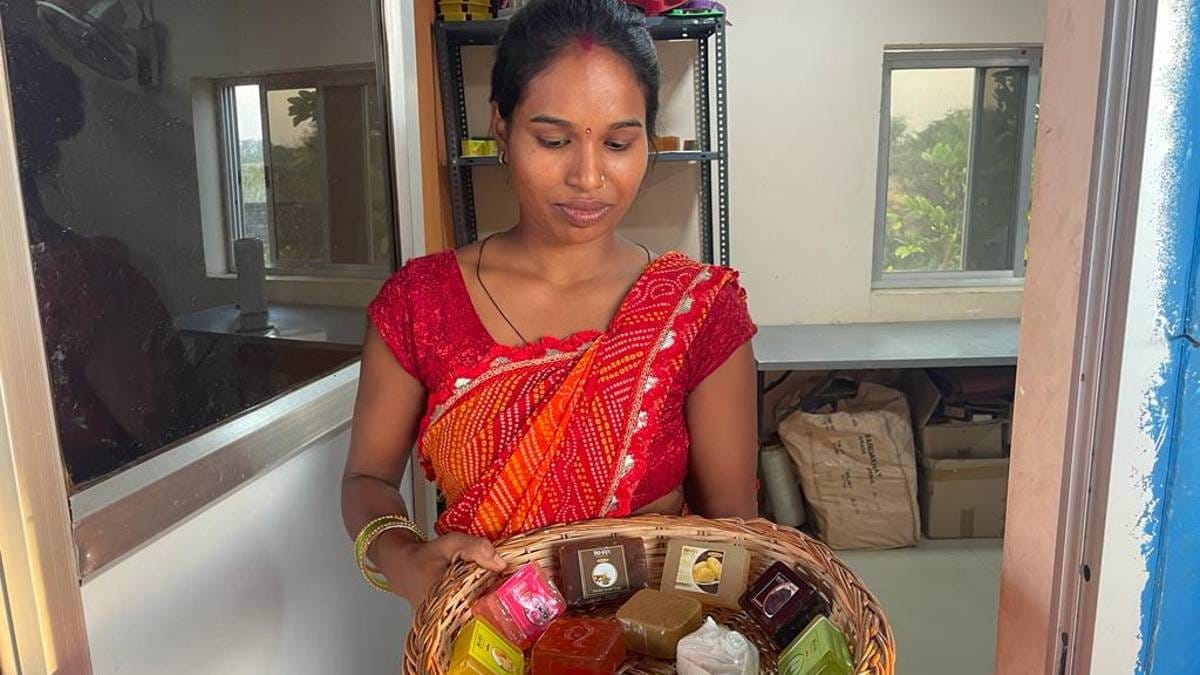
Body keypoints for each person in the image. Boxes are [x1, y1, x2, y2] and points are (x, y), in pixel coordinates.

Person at [341, 0, 758, 607]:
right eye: (554, 139)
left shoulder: (696, 310)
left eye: (618, 142)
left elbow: (729, 529)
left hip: (650, 644)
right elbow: (367, 479)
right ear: (502, 129)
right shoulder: (419, 304)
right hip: (486, 640)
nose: (588, 177)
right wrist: (401, 558)